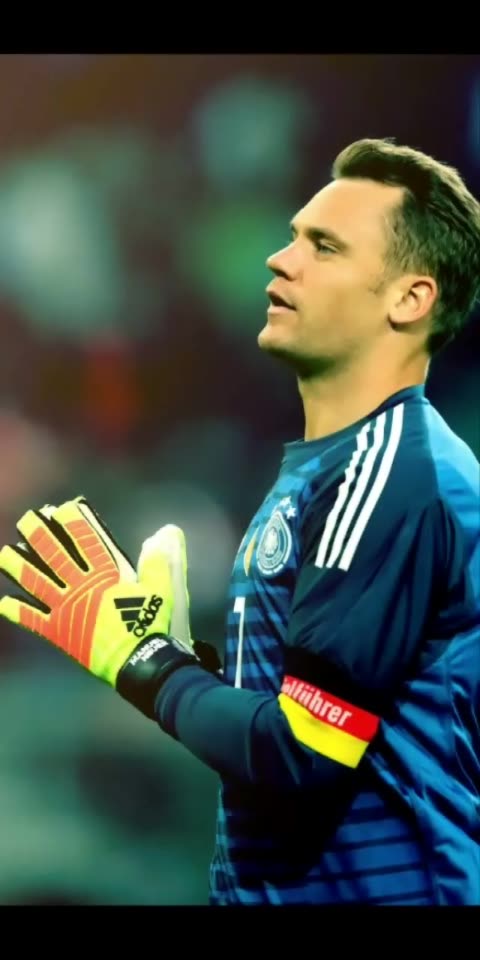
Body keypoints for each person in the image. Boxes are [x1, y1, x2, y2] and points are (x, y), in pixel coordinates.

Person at [0, 137, 479, 906]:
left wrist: (146, 663)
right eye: (293, 238)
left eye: (324, 247)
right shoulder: (328, 467)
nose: (280, 261)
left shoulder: (393, 475)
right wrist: (188, 658)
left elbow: (304, 753)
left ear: (409, 299)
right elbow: (328, 713)